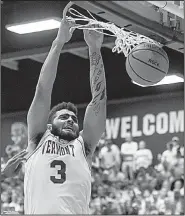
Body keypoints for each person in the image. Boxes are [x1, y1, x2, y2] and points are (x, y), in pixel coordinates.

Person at [23, 2, 107, 214]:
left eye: (74, 118)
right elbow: (43, 90)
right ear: (49, 125)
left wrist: (94, 49)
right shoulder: (38, 138)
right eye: (64, 117)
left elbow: (98, 100)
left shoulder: (84, 147)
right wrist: (58, 42)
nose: (71, 119)